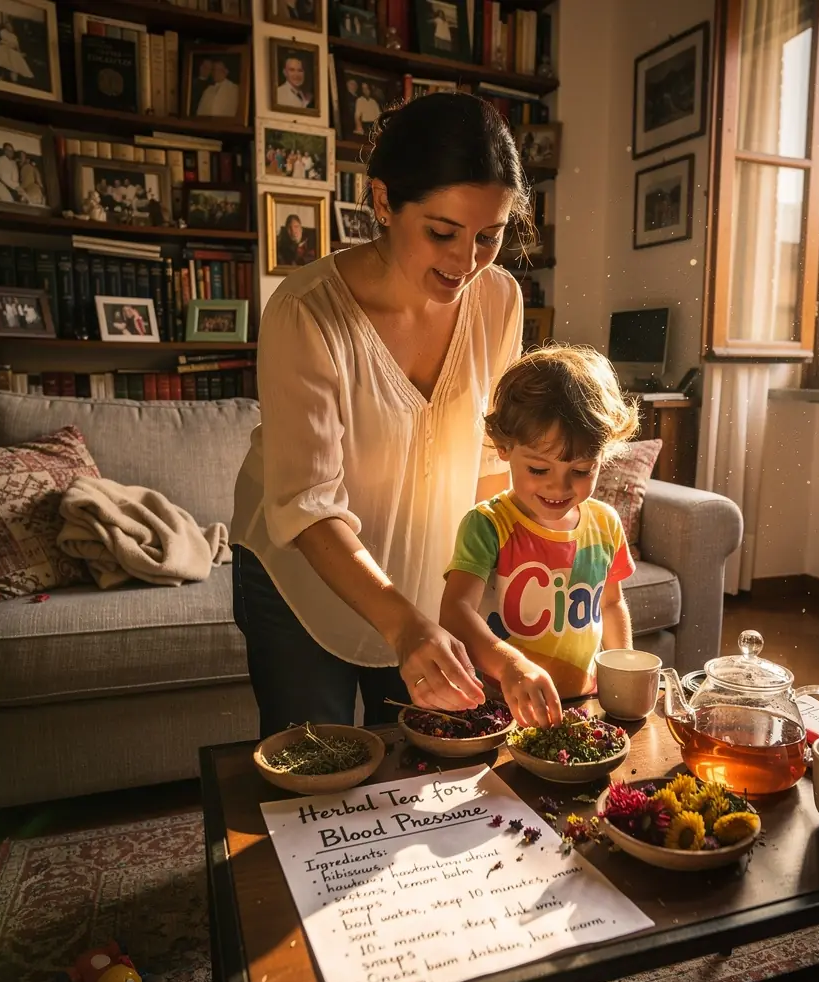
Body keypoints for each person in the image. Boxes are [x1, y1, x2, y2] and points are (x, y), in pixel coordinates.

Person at [229, 92, 544, 738]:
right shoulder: (306, 312)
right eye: (442, 232)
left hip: (425, 580)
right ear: (381, 203)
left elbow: (491, 468)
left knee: (422, 783)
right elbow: (309, 508)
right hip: (298, 581)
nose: (465, 263)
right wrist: (404, 623)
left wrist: (485, 628)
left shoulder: (501, 301)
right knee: (313, 782)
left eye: (490, 236)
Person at [439, 346, 638, 716]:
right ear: (504, 446)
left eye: (580, 471)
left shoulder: (606, 524)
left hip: (583, 703)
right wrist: (510, 666)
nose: (559, 489)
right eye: (538, 470)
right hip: (500, 705)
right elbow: (454, 613)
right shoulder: (487, 526)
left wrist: (620, 671)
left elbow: (611, 604)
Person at [0, 19, 33, 83]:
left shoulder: (14, 36)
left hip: (12, 51)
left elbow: (17, 46)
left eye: (10, 26)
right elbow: (4, 41)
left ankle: (14, 79)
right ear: (5, 27)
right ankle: (0, 77)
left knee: (16, 64)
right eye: (7, 26)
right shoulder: (3, 32)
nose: (9, 27)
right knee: (3, 63)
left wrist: (19, 52)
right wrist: (8, 45)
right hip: (3, 50)